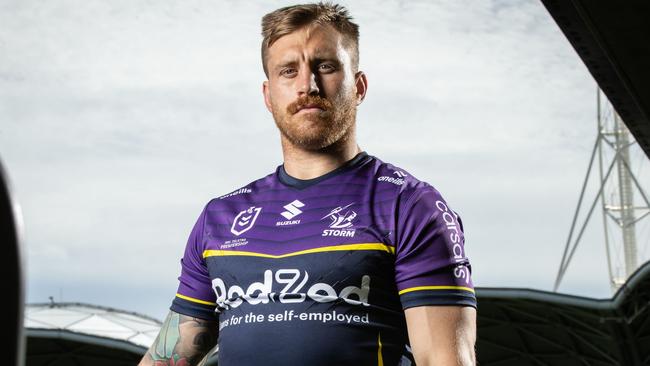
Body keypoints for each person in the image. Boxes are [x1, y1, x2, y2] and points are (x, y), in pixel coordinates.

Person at [138, 2, 476, 365]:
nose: (307, 85)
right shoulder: (220, 218)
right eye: (288, 71)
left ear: (359, 86)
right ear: (268, 96)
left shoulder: (407, 205)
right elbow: (168, 358)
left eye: (325, 66)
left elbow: (444, 360)